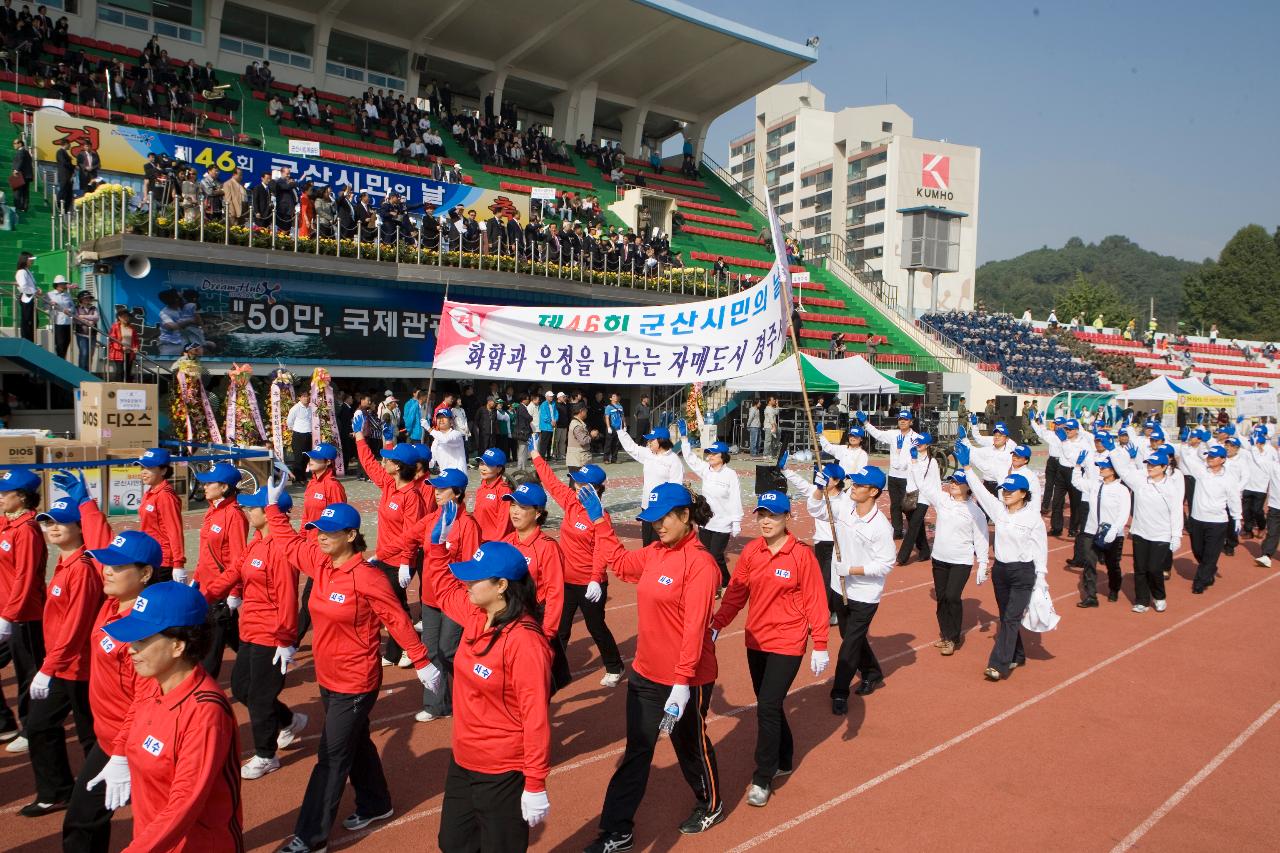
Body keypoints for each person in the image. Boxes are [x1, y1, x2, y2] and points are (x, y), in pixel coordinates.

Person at [265, 491, 437, 853]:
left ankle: (309, 838)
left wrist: (421, 660)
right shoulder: (319, 562)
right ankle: (377, 803)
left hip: (356, 681)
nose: (320, 535)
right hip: (328, 677)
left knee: (331, 755)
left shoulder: (367, 577)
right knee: (354, 741)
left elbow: (396, 618)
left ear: (351, 536)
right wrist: (273, 508)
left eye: (329, 531)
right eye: (317, 529)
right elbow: (289, 542)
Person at [579, 483, 723, 852]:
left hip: (686, 678)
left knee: (690, 746)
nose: (657, 526)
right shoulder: (656, 551)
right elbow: (624, 565)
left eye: (663, 519)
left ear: (685, 516)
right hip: (645, 673)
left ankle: (710, 803)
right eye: (652, 520)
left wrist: (681, 683)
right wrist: (600, 521)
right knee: (638, 751)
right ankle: (617, 831)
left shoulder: (701, 565)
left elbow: (695, 630)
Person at [423, 521, 552, 851]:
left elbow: (535, 718)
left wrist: (535, 782)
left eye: (475, 577)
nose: (466, 582)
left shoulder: (524, 642)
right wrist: (437, 548)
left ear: (501, 586)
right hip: (464, 759)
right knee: (453, 843)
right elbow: (440, 587)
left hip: (503, 769)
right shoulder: (475, 612)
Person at [94, 581, 243, 851]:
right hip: (154, 841)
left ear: (177, 646)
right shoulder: (153, 684)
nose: (130, 648)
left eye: (142, 640)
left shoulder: (205, 712)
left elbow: (184, 804)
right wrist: (119, 755)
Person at [709, 491, 828, 807]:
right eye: (761, 514)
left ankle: (763, 776)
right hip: (756, 640)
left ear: (787, 517)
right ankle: (785, 757)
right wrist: (718, 623)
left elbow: (816, 599)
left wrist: (821, 644)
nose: (765, 521)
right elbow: (736, 593)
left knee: (766, 706)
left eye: (772, 515)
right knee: (769, 704)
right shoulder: (751, 551)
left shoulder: (801, 555)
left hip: (788, 642)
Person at [61, 513, 159, 850]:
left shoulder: (145, 628)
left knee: (88, 822)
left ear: (145, 573)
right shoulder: (110, 605)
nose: (107, 570)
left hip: (128, 742)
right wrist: (87, 506)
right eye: (107, 565)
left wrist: (121, 754)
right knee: (86, 822)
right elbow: (98, 542)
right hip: (107, 737)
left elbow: (147, 697)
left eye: (118, 567)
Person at [201, 486, 306, 780]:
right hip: (250, 628)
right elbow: (233, 571)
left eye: (252, 507)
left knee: (259, 698)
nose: (247, 511)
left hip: (272, 635)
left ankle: (265, 755)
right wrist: (203, 596)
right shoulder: (257, 541)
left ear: (269, 512)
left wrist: (286, 640)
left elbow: (287, 597)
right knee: (241, 686)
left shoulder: (282, 548)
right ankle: (288, 720)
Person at [20, 489, 104, 818]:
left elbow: (76, 625)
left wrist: (48, 667)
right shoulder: (63, 563)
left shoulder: (81, 569)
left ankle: (102, 794)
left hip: (78, 667)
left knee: (91, 736)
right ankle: (57, 791)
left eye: (61, 523)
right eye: (47, 522)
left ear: (80, 526)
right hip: (62, 665)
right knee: (41, 726)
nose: (52, 528)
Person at [531, 444, 624, 686]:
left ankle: (615, 666)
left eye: (580, 483)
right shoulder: (571, 502)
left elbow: (602, 550)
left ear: (594, 489)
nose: (574, 485)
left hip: (590, 584)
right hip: (565, 580)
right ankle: (554, 672)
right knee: (559, 630)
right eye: (575, 482)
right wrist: (536, 456)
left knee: (596, 627)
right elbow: (551, 483)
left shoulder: (600, 516)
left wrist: (595, 578)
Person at [954, 443, 1048, 680]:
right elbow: (981, 491)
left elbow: (1041, 551)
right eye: (1004, 490)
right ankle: (1018, 654)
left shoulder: (1033, 519)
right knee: (1006, 614)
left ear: (1023, 494)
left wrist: (1041, 580)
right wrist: (966, 466)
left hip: (1023, 573)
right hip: (1002, 572)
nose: (1005, 494)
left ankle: (999, 663)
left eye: (1011, 491)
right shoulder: (999, 511)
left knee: (1010, 618)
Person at [808, 464, 895, 710]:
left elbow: (886, 564)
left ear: (874, 492)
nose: (852, 488)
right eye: (853, 483)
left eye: (858, 485)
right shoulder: (845, 507)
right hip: (840, 587)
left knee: (848, 645)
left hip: (864, 595)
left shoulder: (880, 527)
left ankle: (839, 693)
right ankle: (872, 671)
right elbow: (815, 509)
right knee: (850, 637)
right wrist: (819, 489)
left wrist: (853, 569)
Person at [353, 412, 425, 667]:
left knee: (394, 605)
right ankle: (397, 650)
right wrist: (360, 439)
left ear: (398, 466)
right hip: (384, 555)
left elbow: (412, 534)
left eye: (389, 460)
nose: (385, 462)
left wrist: (407, 561)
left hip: (399, 561)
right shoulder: (389, 485)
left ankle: (408, 648)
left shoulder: (411, 496)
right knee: (391, 604)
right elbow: (370, 464)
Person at [416, 467, 480, 724]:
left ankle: (471, 695)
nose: (436, 493)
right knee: (431, 650)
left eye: (442, 489)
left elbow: (471, 569)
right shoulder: (434, 518)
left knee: (449, 650)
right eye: (435, 488)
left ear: (457, 493)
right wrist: (383, 557)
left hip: (455, 599)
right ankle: (436, 704)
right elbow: (408, 537)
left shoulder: (468, 525)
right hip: (431, 597)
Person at [911, 463, 988, 656]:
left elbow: (981, 538)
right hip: (939, 559)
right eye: (952, 480)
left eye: (958, 482)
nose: (953, 484)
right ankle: (945, 634)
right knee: (942, 598)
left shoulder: (975, 511)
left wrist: (983, 563)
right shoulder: (943, 499)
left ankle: (953, 638)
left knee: (952, 597)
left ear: (969, 487)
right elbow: (923, 485)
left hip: (961, 561)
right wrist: (915, 463)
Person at [0, 469, 48, 754]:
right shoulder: (8, 524)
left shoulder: (27, 531)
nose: (1, 497)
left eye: (6, 493)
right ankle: (5, 723)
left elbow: (26, 578)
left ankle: (32, 728)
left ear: (23, 497)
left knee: (29, 673)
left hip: (25, 615)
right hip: (7, 611)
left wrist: (8, 616)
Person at [190, 463, 248, 680]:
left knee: (211, 648)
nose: (204, 486)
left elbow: (238, 557)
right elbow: (206, 550)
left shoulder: (234, 515)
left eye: (209, 482)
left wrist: (235, 593)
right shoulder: (212, 510)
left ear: (224, 487)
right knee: (233, 635)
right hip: (207, 587)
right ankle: (259, 658)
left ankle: (203, 690)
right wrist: (196, 579)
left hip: (221, 590)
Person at [1110, 442, 1182, 612]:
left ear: (1164, 467)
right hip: (1141, 532)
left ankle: (1159, 596)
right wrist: (1114, 450)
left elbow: (1177, 512)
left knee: (1154, 568)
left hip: (1161, 534)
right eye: (1148, 464)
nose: (1150, 468)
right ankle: (1141, 600)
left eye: (1154, 465)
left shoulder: (1171, 487)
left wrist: (1176, 535)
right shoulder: (1140, 481)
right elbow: (1123, 471)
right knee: (1140, 568)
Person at [677, 419, 743, 589]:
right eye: (709, 454)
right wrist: (684, 438)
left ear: (723, 456)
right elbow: (690, 459)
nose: (709, 456)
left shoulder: (730, 475)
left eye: (714, 454)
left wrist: (736, 522)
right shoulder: (706, 470)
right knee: (706, 555)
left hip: (723, 523)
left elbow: (735, 498)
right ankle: (712, 582)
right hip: (706, 521)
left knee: (716, 555)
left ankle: (726, 581)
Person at [500, 483, 566, 646]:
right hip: (509, 617)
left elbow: (554, 593)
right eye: (513, 505)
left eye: (522, 507)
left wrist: (547, 632)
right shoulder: (506, 542)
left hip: (535, 620)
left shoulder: (547, 547)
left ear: (537, 513)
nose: (514, 511)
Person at [296, 442, 347, 645]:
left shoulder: (333, 487)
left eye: (316, 458)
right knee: (318, 596)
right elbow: (306, 517)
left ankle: (294, 639)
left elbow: (341, 520)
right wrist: (300, 540)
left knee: (311, 596)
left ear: (327, 462)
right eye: (311, 456)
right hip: (311, 548)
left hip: (326, 550)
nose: (311, 460)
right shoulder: (312, 484)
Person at [1177, 443, 1240, 594]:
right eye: (1209, 456)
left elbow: (1234, 498)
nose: (1210, 459)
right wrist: (1186, 445)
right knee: (1198, 550)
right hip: (1197, 519)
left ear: (1223, 459)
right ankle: (1210, 569)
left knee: (1211, 552)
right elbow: (1186, 458)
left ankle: (1200, 581)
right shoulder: (1200, 471)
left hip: (1218, 522)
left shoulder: (1229, 478)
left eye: (1213, 457)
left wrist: (1237, 517)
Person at [1073, 454, 1131, 607]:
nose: (1100, 469)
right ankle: (1091, 596)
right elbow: (1077, 482)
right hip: (1092, 532)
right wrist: (1077, 467)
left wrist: (1114, 530)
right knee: (1089, 563)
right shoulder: (1095, 484)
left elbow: (1124, 513)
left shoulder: (1121, 490)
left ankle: (1114, 588)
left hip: (1112, 534)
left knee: (1112, 565)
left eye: (1104, 467)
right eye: (1100, 466)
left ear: (1114, 470)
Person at [616, 422, 685, 546]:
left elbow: (676, 487)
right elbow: (632, 447)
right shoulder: (648, 454)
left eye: (652, 440)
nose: (649, 442)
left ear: (661, 441)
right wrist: (620, 431)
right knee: (646, 542)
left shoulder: (673, 460)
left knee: (658, 543)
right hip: (647, 506)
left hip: (662, 509)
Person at [858, 408, 920, 540]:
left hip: (908, 477)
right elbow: (878, 434)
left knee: (908, 507)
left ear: (911, 422)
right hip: (893, 476)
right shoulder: (893, 434)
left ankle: (914, 531)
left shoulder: (916, 438)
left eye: (905, 419)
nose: (902, 422)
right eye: (900, 420)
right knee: (895, 505)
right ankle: (897, 531)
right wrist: (865, 423)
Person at [135, 448, 186, 585]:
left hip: (163, 561)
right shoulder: (150, 492)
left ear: (163, 470)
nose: (143, 472)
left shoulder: (165, 496)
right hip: (151, 556)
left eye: (149, 468)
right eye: (142, 468)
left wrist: (178, 564)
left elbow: (174, 531)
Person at [473, 448, 514, 543]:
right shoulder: (481, 487)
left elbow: (504, 522)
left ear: (499, 469)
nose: (483, 468)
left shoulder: (504, 490)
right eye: (481, 463)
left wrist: (495, 545)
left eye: (488, 465)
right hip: (478, 540)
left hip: (493, 543)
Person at [428, 406, 468, 473]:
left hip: (458, 475)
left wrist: (429, 429)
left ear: (451, 421)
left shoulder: (456, 434)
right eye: (439, 418)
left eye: (444, 417)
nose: (441, 420)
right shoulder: (436, 440)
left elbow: (445, 440)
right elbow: (432, 461)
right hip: (444, 475)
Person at [288, 389, 313, 483]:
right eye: (304, 396)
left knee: (306, 457)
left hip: (308, 434)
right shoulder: (295, 408)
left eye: (307, 396)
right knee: (298, 458)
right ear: (300, 398)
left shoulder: (310, 408)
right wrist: (295, 429)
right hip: (298, 435)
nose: (306, 398)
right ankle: (297, 478)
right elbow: (289, 421)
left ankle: (303, 476)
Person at [108, 308, 139, 382]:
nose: (126, 318)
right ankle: (118, 388)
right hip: (119, 352)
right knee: (120, 371)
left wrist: (136, 348)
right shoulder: (115, 327)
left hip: (130, 352)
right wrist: (121, 347)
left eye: (127, 316)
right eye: (124, 316)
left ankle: (127, 389)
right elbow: (112, 339)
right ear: (119, 317)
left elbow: (136, 340)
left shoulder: (132, 328)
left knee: (128, 371)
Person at [47, 275, 75, 360]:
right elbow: (45, 307)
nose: (64, 285)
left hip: (68, 322)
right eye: (62, 284)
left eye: (64, 284)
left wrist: (69, 310)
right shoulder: (50, 294)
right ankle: (60, 360)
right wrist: (51, 306)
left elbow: (73, 306)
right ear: (57, 285)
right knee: (59, 344)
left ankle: (62, 359)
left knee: (66, 342)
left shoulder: (68, 295)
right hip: (57, 321)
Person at [14, 255, 39, 343]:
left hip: (31, 297)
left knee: (33, 321)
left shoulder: (27, 271)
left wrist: (37, 290)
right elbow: (23, 286)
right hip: (26, 298)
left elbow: (31, 285)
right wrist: (35, 291)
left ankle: (30, 340)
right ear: (25, 260)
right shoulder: (21, 272)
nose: (32, 261)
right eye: (30, 260)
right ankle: (26, 341)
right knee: (27, 321)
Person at [73, 291, 98, 372]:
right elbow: (76, 319)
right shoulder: (76, 308)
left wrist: (83, 316)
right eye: (85, 298)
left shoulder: (94, 308)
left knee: (90, 354)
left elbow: (96, 317)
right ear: (81, 299)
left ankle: (87, 372)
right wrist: (88, 321)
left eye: (89, 298)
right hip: (81, 334)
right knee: (84, 353)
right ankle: (81, 372)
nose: (88, 299)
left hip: (92, 335)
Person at [11, 136, 33, 212]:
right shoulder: (26, 152)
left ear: (20, 144)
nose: (14, 145)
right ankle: (24, 207)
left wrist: (16, 170)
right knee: (25, 192)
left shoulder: (21, 152)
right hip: (26, 175)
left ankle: (18, 207)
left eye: (15, 143)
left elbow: (20, 160)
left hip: (20, 175)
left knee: (18, 191)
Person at [603, 394, 625, 463]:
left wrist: (625, 425)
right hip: (611, 427)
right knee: (608, 443)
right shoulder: (608, 407)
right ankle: (606, 459)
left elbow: (622, 416)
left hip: (619, 428)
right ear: (610, 398)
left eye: (616, 396)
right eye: (614, 396)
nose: (616, 397)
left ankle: (614, 459)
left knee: (616, 444)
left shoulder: (620, 406)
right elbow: (606, 417)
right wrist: (608, 427)